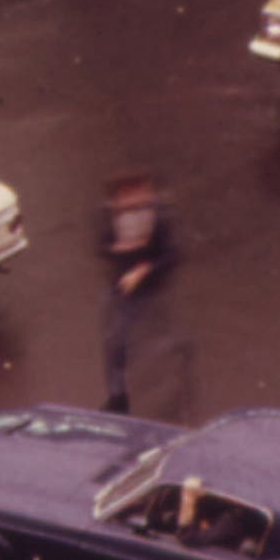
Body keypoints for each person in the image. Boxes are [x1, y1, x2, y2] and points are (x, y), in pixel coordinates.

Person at [97, 169, 181, 417]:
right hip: (121, 288)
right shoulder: (109, 216)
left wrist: (145, 269)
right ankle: (118, 396)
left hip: (150, 288)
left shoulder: (160, 219)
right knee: (115, 340)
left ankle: (174, 391)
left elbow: (173, 255)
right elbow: (103, 246)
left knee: (166, 340)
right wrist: (118, 250)